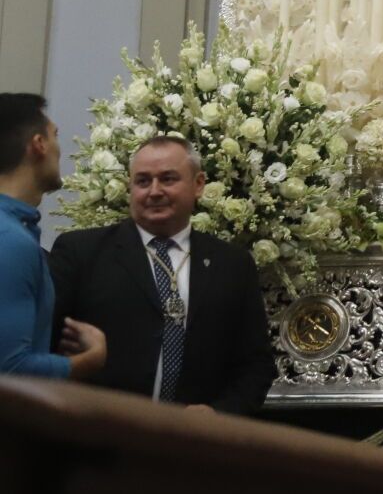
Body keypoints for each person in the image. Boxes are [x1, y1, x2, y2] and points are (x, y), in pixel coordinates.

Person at [48, 135, 276, 412]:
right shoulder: (81, 252)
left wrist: (219, 414)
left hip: (193, 442)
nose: (154, 191)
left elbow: (256, 364)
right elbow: (45, 346)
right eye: (143, 181)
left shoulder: (232, 264)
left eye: (168, 179)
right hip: (99, 432)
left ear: (199, 184)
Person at [0, 94, 105, 380]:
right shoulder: (10, 239)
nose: (61, 148)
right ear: (39, 145)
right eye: (55, 135)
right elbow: (10, 370)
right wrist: (90, 359)